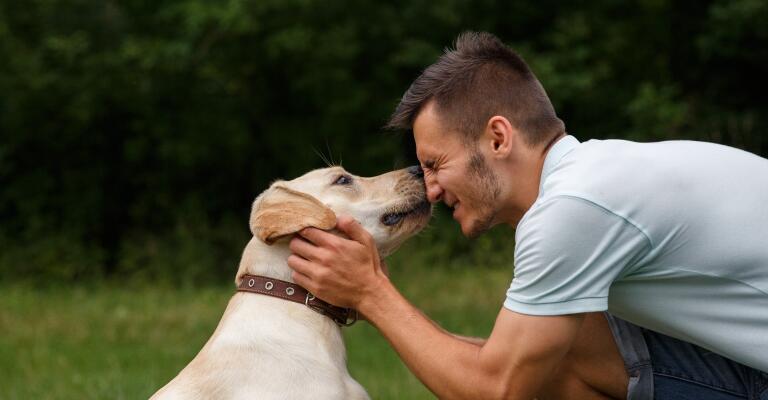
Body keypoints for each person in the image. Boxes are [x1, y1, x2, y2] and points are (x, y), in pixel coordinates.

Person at [286, 31, 768, 399]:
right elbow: (514, 363)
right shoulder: (598, 177)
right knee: (559, 346)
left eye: (435, 164)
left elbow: (500, 388)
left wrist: (371, 294)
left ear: (498, 138)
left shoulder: (573, 208)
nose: (429, 190)